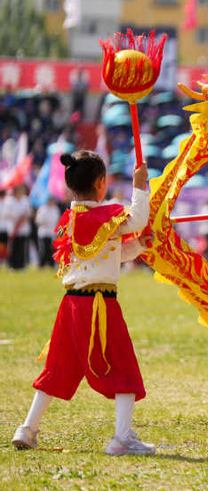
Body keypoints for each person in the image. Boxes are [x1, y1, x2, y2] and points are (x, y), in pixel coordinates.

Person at [12, 151, 154, 455]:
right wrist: (139, 185)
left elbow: (106, 254)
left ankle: (27, 428)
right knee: (123, 367)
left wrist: (138, 246)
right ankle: (122, 438)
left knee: (57, 367)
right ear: (101, 183)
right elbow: (139, 219)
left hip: (72, 305)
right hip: (100, 305)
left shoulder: (70, 220)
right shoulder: (107, 216)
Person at [5, 185, 32, 270]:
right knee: (13, 247)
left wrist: (24, 217)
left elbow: (29, 212)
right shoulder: (10, 201)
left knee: (22, 248)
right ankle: (12, 265)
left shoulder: (25, 200)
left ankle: (21, 265)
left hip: (23, 228)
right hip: (13, 227)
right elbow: (7, 213)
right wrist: (16, 218)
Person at [35, 197, 61, 268]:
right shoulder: (42, 209)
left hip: (52, 232)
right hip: (44, 232)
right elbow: (38, 220)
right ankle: (42, 264)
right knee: (43, 249)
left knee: (51, 249)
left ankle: (51, 264)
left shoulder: (55, 209)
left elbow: (57, 220)